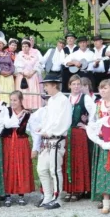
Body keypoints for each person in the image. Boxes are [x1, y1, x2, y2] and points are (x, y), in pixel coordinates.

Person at [36, 74, 72, 209]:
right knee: (41, 168)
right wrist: (43, 128)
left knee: (55, 169)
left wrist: (51, 131)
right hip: (46, 139)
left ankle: (57, 198)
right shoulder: (51, 100)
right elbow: (48, 118)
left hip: (56, 138)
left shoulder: (64, 100)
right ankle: (47, 196)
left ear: (54, 85)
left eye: (47, 85)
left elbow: (64, 120)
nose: (45, 88)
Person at [63, 76, 95, 202]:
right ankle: (69, 189)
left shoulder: (85, 98)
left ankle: (78, 189)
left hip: (79, 133)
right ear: (69, 85)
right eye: (74, 84)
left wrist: (88, 126)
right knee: (68, 160)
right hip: (67, 133)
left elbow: (94, 113)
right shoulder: (66, 99)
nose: (76, 86)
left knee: (79, 160)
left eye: (78, 84)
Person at [1, 91, 35, 206]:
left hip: (21, 142)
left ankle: (21, 194)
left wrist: (36, 146)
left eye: (15, 100)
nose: (12, 102)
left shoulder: (28, 114)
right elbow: (8, 124)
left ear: (21, 101)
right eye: (11, 100)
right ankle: (7, 195)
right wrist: (19, 115)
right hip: (8, 141)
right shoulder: (6, 110)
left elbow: (32, 129)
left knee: (21, 166)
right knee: (8, 166)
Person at [14, 38, 43, 110]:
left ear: (29, 47)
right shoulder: (19, 55)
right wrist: (24, 73)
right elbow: (17, 66)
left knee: (32, 91)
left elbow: (38, 65)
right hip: (22, 77)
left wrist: (32, 72)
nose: (24, 48)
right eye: (23, 46)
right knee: (23, 91)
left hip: (32, 76)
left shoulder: (34, 55)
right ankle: (22, 107)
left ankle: (32, 108)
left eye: (26, 46)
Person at [0, 36, 16, 104]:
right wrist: (0, 72)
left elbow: (12, 65)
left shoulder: (7, 53)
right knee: (0, 92)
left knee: (9, 92)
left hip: (8, 75)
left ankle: (9, 106)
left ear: (3, 45)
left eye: (1, 43)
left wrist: (10, 72)